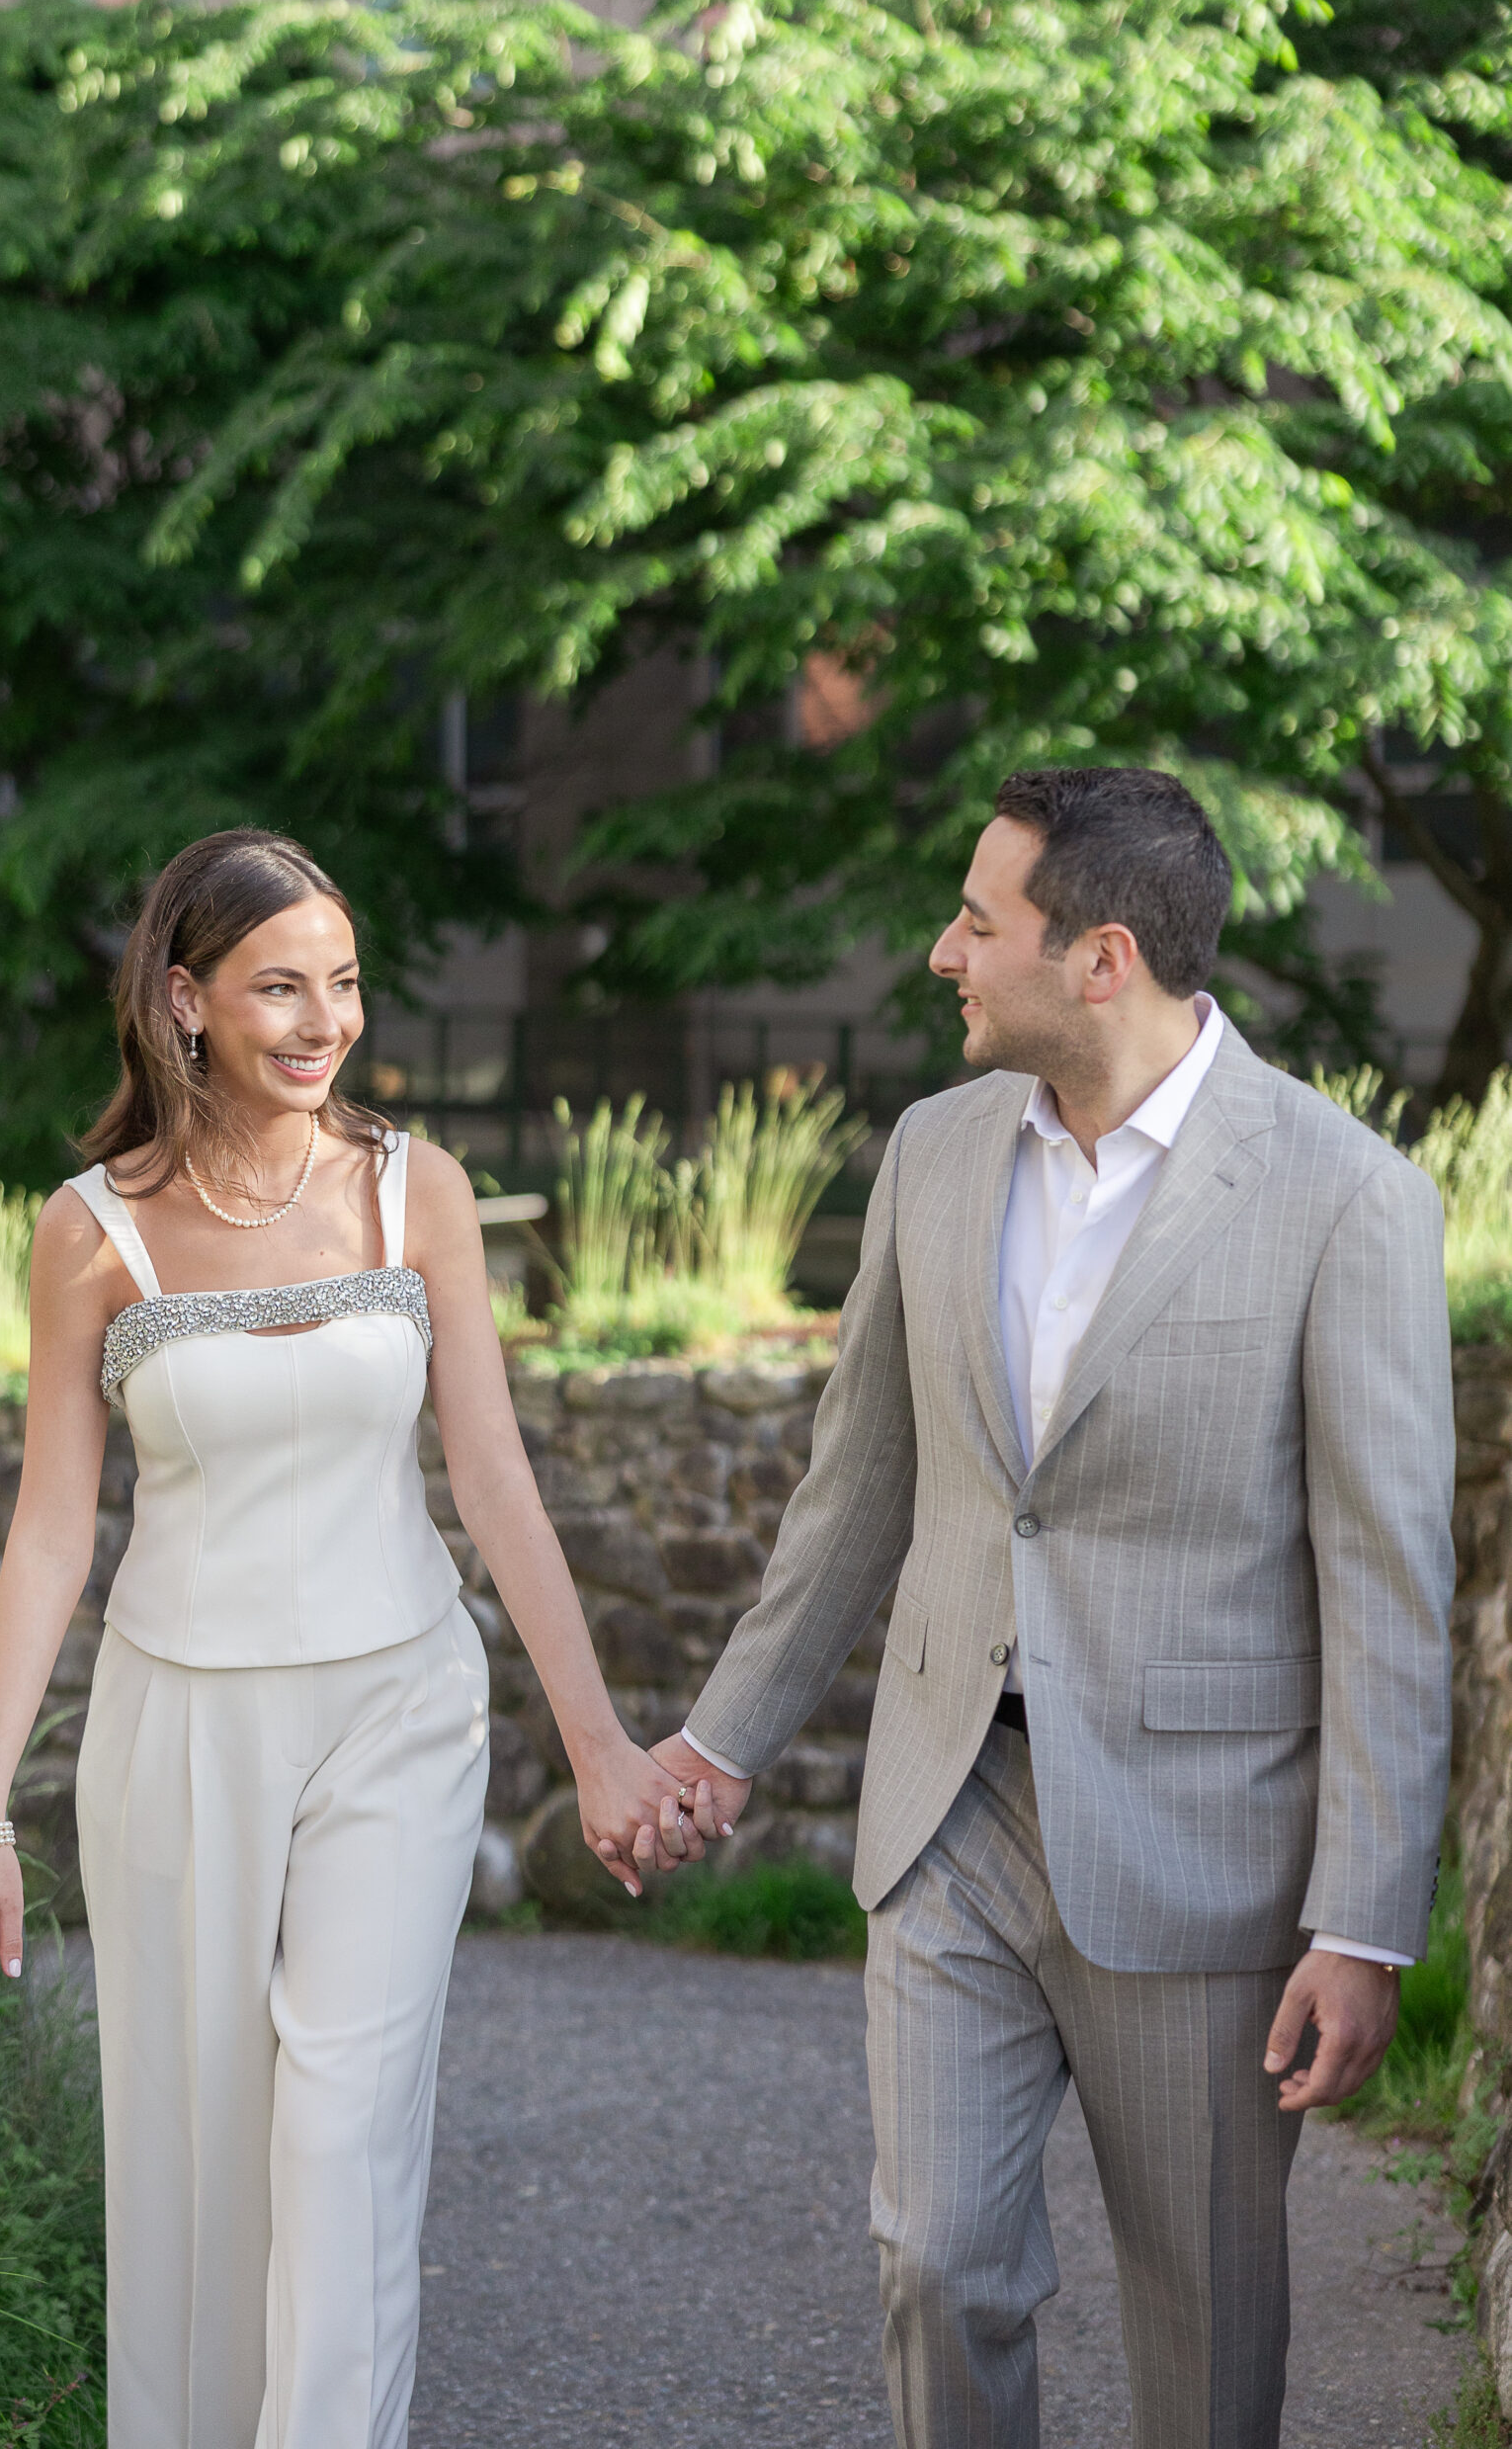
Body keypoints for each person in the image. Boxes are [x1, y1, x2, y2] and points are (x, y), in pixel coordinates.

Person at [645, 768, 1455, 2448]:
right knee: (937, 2261)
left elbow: (1386, 1581)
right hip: (949, 1800)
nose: (944, 951)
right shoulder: (933, 1156)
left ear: (1100, 958)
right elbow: (858, 1489)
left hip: (1204, 1841)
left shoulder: (1342, 1194)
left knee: (1203, 2313)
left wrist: (1364, 1921)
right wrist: (723, 1742)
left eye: (976, 921)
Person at [0, 827, 718, 2449]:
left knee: (343, 2135)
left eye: (341, 984)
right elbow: (53, 1529)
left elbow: (492, 1478)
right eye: (279, 985)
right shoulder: (92, 1231)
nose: (321, 1020)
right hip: (179, 1728)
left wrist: (599, 1747)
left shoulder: (410, 1190)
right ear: (183, 997)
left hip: (398, 1703)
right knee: (200, 2153)